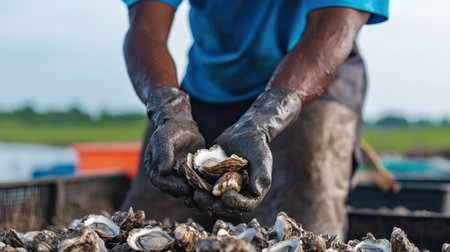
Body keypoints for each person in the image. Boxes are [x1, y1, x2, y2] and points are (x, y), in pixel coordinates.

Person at [120, 0, 389, 238]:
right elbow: (147, 29)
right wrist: (169, 112)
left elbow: (333, 25)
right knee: (142, 229)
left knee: (304, 234)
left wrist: (261, 122)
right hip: (206, 89)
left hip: (312, 82)